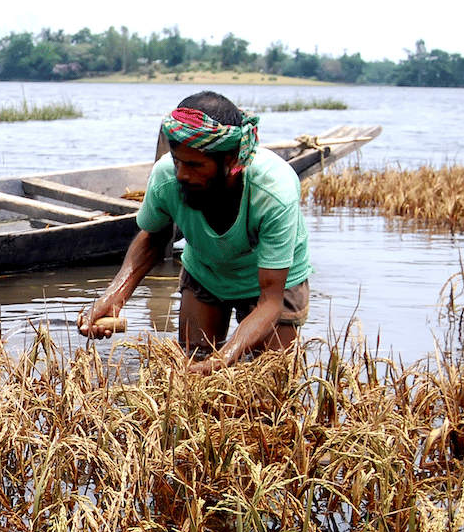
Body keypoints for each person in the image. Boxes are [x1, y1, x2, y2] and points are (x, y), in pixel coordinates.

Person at [78, 91, 311, 375]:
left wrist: (225, 358)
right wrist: (113, 297)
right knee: (192, 367)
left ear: (232, 161)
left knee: (270, 381)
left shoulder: (273, 192)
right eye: (178, 161)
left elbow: (270, 302)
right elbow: (153, 238)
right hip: (207, 270)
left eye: (195, 165)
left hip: (274, 280)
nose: (182, 175)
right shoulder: (166, 177)